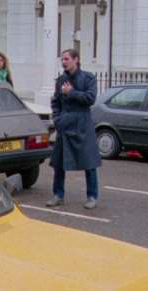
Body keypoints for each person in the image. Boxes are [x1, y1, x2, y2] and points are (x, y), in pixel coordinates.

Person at [45, 49, 102, 209]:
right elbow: (55, 101)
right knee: (59, 164)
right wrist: (57, 119)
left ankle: (92, 196)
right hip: (65, 124)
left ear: (76, 59)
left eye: (67, 59)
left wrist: (72, 92)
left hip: (82, 124)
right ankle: (58, 195)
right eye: (62, 59)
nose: (64, 62)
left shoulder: (89, 78)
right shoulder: (61, 80)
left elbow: (90, 99)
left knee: (89, 163)